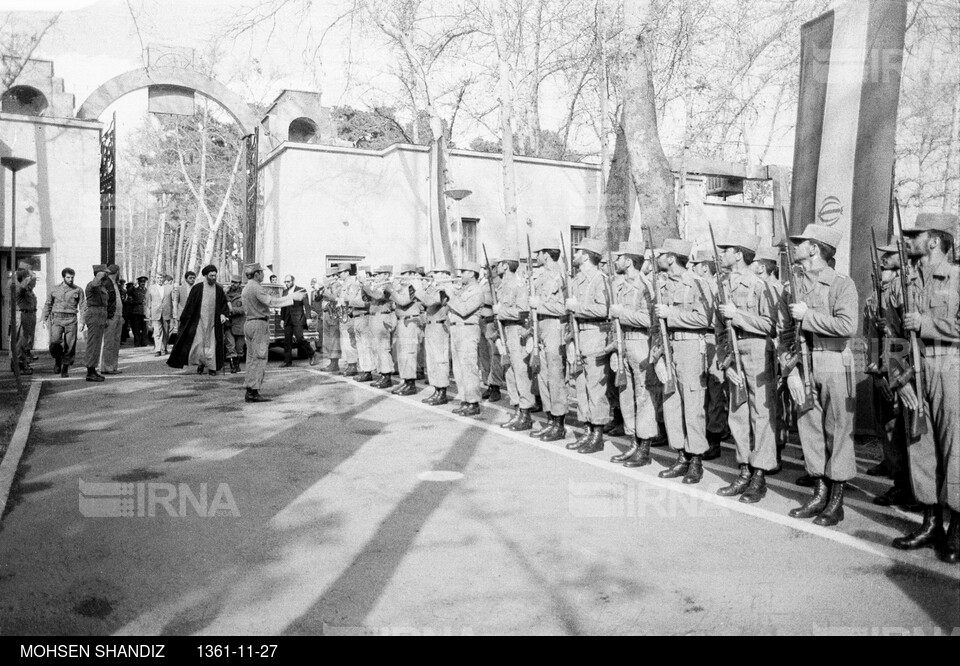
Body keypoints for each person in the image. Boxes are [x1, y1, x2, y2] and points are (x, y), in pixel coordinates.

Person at [780, 224, 858, 527]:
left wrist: (808, 317)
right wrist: (790, 372)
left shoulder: (841, 283)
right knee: (810, 429)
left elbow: (847, 326)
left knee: (837, 430)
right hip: (803, 364)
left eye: (801, 242)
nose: (795, 245)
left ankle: (835, 502)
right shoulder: (792, 287)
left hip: (834, 361)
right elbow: (783, 334)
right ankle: (819, 492)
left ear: (814, 249)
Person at [893, 212, 960, 563]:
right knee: (922, 447)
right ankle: (930, 522)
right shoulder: (904, 282)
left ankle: (957, 530)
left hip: (951, 368)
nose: (908, 240)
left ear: (933, 240)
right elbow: (891, 333)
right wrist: (898, 376)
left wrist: (928, 323)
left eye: (915, 235)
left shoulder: (957, 278)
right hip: (914, 372)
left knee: (955, 449)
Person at [713, 234, 776, 503]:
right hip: (734, 352)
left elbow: (771, 325)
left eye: (726, 250)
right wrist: (724, 361)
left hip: (758, 351)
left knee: (761, 414)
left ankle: (759, 474)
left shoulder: (761, 286)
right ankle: (744, 468)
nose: (722, 254)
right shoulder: (723, 286)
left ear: (739, 254)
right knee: (737, 412)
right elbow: (718, 330)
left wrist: (736, 316)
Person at [654, 239, 712, 484]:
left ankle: (696, 459)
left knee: (692, 403)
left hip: (690, 346)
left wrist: (672, 314)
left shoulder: (697, 284)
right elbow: (656, 323)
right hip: (669, 348)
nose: (657, 258)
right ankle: (680, 455)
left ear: (671, 258)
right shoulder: (662, 285)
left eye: (662, 254)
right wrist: (656, 355)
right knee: (672, 401)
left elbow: (705, 319)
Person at [866, 237, 917, 509]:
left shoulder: (902, 290)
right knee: (887, 430)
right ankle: (900, 483)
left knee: (902, 433)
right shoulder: (875, 297)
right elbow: (872, 338)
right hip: (885, 371)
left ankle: (909, 489)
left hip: (902, 371)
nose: (883, 262)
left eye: (888, 258)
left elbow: (902, 338)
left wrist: (895, 376)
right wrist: (876, 374)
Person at [608, 240, 661, 467]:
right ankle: (632, 441)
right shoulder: (618, 285)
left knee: (643, 395)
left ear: (629, 261)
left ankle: (645, 447)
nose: (616, 261)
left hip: (641, 342)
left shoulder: (646, 286)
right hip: (623, 343)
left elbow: (650, 319)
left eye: (620, 257)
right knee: (625, 394)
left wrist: (623, 313)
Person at [566, 237, 612, 454]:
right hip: (578, 336)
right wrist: (570, 341)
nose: (575, 254)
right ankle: (586, 428)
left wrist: (579, 307)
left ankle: (598, 433)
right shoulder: (576, 280)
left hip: (595, 335)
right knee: (581, 386)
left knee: (595, 387)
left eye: (578, 251)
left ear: (586, 255)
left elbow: (603, 310)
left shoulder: (600, 279)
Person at [690, 248, 730, 460]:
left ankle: (714, 438)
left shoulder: (718, 287)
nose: (692, 268)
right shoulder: (697, 286)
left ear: (704, 267)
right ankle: (704, 434)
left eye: (695, 264)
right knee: (701, 389)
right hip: (699, 338)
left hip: (714, 339)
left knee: (715, 391)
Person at [241, 262, 301, 402]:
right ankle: (253, 391)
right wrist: (292, 298)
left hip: (249, 323)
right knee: (260, 358)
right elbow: (272, 302)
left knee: (251, 359)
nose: (262, 275)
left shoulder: (246, 288)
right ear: (256, 274)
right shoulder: (256, 287)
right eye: (261, 272)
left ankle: (250, 389)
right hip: (258, 324)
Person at [528, 238, 569, 442]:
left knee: (555, 377)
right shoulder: (541, 276)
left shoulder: (561, 275)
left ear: (546, 253)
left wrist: (539, 305)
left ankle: (559, 423)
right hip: (541, 327)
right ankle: (550, 419)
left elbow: (563, 308)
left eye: (539, 253)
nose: (536, 257)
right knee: (542, 376)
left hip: (554, 327)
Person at [494, 253, 535, 431]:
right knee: (509, 372)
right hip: (505, 331)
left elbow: (522, 312)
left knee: (520, 372)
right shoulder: (502, 286)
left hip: (517, 331)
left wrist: (501, 311)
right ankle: (517, 409)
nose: (496, 267)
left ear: (505, 265)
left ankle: (526, 413)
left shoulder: (519, 284)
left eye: (499, 264)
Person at [167, 265, 230, 375]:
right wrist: (185, 320)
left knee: (212, 345)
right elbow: (189, 306)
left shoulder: (219, 289)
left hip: (213, 323)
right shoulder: (197, 288)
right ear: (205, 276)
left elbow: (224, 305)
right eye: (211, 276)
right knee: (199, 345)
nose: (214, 278)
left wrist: (223, 314)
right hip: (199, 323)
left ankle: (212, 368)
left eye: (215, 275)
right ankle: (201, 364)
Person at [447, 262, 485, 416]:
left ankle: (473, 402)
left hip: (468, 328)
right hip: (457, 329)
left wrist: (450, 295)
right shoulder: (463, 289)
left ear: (472, 273)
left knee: (469, 367)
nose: (461, 274)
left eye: (464, 271)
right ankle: (465, 399)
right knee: (459, 368)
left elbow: (464, 310)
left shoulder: (477, 290)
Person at [415, 265, 453, 405]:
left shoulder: (445, 289)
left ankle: (442, 391)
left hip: (439, 326)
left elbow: (430, 301)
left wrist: (418, 288)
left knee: (439, 359)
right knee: (431, 360)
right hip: (431, 325)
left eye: (437, 272)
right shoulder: (435, 287)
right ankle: (437, 389)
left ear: (445, 274)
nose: (434, 275)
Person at [386, 264, 423, 396]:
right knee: (402, 354)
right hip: (402, 321)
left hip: (410, 321)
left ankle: (411, 383)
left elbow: (403, 301)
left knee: (408, 353)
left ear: (412, 274)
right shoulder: (405, 286)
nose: (401, 277)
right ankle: (405, 380)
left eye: (405, 273)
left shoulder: (414, 286)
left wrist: (392, 290)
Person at [43, 267, 85, 377]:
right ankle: (57, 359)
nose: (70, 280)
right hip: (57, 319)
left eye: (72, 277)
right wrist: (44, 318)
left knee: (70, 345)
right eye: (68, 277)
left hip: (71, 319)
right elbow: (48, 304)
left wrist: (82, 322)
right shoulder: (55, 289)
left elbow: (83, 306)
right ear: (63, 277)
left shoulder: (78, 290)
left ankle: (65, 367)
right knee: (54, 342)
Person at [363, 265, 396, 388]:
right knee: (375, 348)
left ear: (387, 275)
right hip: (374, 317)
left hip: (383, 317)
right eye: (376, 274)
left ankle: (387, 375)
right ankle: (382, 374)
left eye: (379, 274)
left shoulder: (388, 285)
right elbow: (366, 298)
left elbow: (378, 296)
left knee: (383, 348)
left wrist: (365, 286)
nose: (376, 277)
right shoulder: (376, 286)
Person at [479, 259, 504, 403]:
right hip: (481, 321)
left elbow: (497, 300)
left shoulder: (499, 283)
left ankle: (495, 386)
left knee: (494, 354)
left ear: (495, 269)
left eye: (489, 268)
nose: (486, 271)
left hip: (491, 322)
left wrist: (481, 298)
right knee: (484, 356)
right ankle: (488, 383)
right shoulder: (483, 282)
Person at [346, 265, 376, 382]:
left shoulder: (370, 287)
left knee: (366, 345)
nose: (361, 277)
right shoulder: (355, 286)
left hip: (365, 317)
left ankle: (368, 371)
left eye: (364, 275)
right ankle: (364, 370)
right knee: (360, 346)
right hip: (357, 317)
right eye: (359, 275)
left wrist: (357, 302)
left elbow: (369, 302)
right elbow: (350, 300)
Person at [82, 265, 112, 382]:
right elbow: (94, 284)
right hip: (94, 314)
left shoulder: (102, 287)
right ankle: (90, 371)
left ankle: (93, 369)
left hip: (100, 314)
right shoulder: (92, 285)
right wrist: (100, 275)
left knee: (97, 344)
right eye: (105, 274)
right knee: (93, 344)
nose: (107, 276)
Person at [280, 274, 315, 367]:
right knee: (287, 341)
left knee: (300, 338)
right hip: (288, 320)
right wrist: (282, 319)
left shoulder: (301, 290)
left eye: (288, 281)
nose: (286, 283)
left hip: (298, 319)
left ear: (293, 281)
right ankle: (287, 361)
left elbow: (307, 305)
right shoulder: (284, 291)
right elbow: (283, 306)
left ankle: (311, 354)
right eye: (285, 282)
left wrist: (308, 318)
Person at [12, 262, 37, 374]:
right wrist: (30, 276)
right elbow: (22, 288)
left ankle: (21, 363)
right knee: (21, 342)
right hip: (21, 316)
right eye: (27, 277)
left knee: (24, 341)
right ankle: (20, 365)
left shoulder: (26, 289)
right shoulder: (19, 287)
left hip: (27, 315)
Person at [99, 264, 125, 374]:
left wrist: (121, 315)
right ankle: (106, 367)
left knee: (115, 342)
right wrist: (105, 316)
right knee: (109, 343)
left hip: (118, 316)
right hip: (110, 316)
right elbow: (104, 302)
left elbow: (118, 301)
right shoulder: (106, 283)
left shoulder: (115, 284)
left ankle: (113, 366)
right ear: (117, 272)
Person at [147, 274, 174, 356]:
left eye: (161, 278)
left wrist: (173, 312)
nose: (160, 279)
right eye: (158, 278)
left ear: (164, 279)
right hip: (155, 312)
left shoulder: (169, 288)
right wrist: (148, 314)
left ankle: (164, 348)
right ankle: (157, 350)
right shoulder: (151, 288)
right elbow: (148, 302)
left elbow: (173, 300)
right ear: (155, 279)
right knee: (157, 331)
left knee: (166, 331)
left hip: (166, 312)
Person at [224, 274, 246, 373]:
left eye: (235, 282)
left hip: (240, 324)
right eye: (232, 282)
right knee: (230, 345)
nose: (233, 284)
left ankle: (237, 364)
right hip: (228, 323)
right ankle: (232, 365)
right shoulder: (226, 293)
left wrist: (231, 310)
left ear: (240, 284)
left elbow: (244, 309)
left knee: (239, 347)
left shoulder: (244, 294)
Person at [172, 270, 197, 339]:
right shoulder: (179, 289)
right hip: (182, 314)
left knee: (192, 333)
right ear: (186, 279)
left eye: (193, 278)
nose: (192, 279)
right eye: (190, 278)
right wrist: (175, 314)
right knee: (181, 333)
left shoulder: (197, 289)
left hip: (193, 315)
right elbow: (175, 302)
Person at [130, 276, 148, 346]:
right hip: (137, 312)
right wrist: (133, 286)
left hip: (145, 312)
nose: (143, 283)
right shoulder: (135, 290)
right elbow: (129, 293)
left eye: (144, 282)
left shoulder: (147, 290)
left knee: (144, 328)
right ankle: (137, 342)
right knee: (136, 328)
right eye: (141, 282)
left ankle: (144, 342)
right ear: (139, 283)